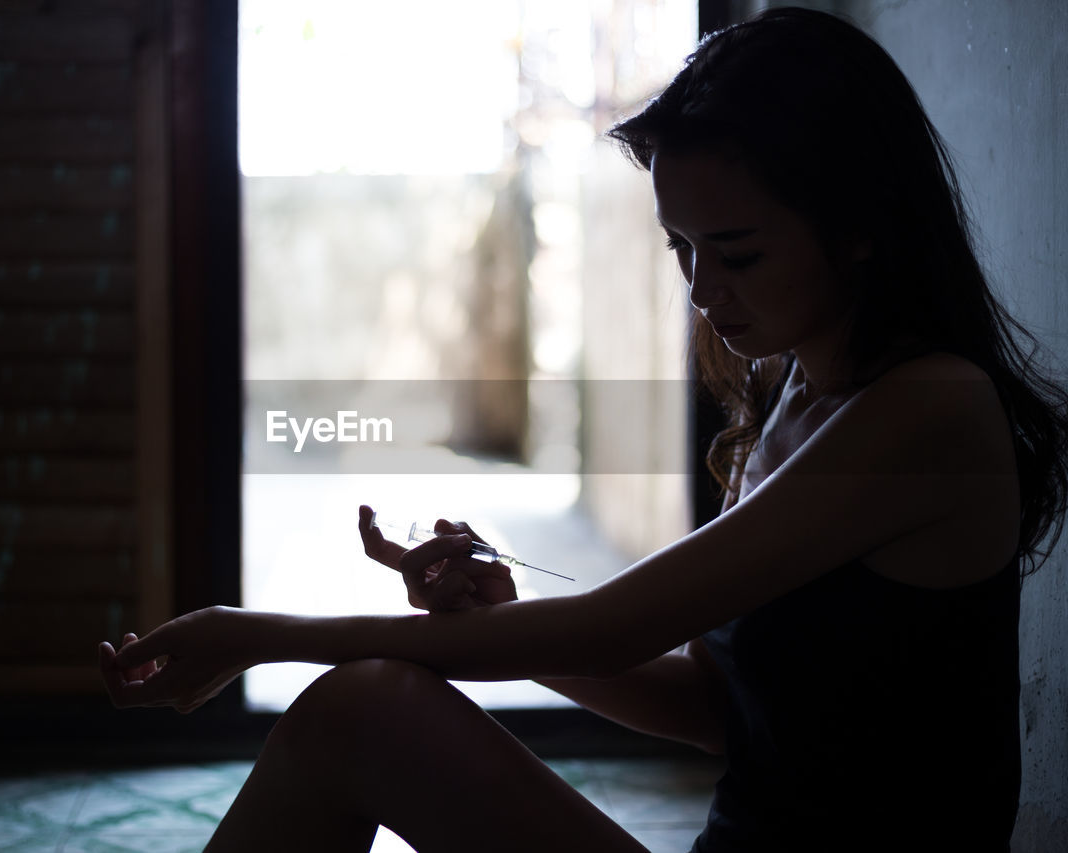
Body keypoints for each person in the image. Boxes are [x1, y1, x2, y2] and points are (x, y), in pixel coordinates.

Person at [98, 8, 1068, 852]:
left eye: (735, 252)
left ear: (860, 225)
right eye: (680, 250)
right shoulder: (790, 394)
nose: (700, 289)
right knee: (359, 716)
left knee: (358, 705)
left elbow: (618, 625)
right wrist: (496, 626)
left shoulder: (929, 411)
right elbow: (715, 713)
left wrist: (251, 634)